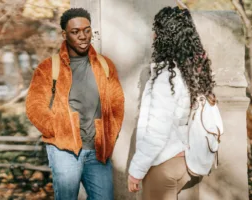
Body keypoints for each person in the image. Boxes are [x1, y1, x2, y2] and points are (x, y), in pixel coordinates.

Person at [26, 8, 124, 200]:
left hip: (98, 152)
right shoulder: (49, 67)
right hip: (64, 151)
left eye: (87, 30)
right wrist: (59, 130)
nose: (83, 36)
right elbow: (34, 107)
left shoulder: (105, 65)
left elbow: (117, 104)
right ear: (65, 34)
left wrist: (109, 135)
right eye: (75, 32)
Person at [127, 5, 215, 200]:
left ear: (165, 35)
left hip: (163, 164)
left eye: (156, 29)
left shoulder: (167, 77)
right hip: (185, 162)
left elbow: (157, 132)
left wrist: (136, 171)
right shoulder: (192, 72)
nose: (153, 35)